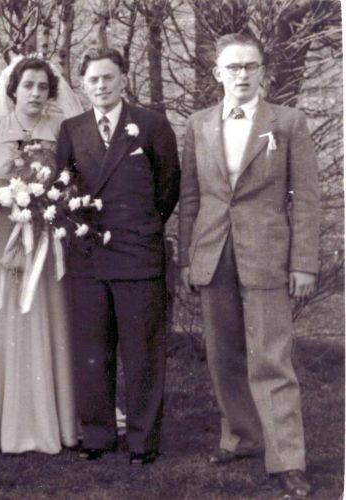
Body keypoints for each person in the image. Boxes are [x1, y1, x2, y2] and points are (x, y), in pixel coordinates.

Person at [178, 33, 320, 498]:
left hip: (266, 257)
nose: (242, 75)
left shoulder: (289, 123)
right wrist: (188, 260)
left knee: (272, 358)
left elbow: (307, 202)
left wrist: (304, 264)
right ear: (217, 73)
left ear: (263, 72)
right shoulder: (198, 124)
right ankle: (241, 438)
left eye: (250, 66)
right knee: (223, 356)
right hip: (214, 253)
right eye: (232, 67)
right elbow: (192, 199)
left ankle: (287, 460)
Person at [56, 47, 180, 465]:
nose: (101, 86)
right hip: (89, 256)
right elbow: (64, 189)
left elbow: (168, 189)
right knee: (92, 348)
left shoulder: (151, 125)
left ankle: (144, 440)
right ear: (83, 85)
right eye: (92, 79)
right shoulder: (71, 129)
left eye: (108, 77)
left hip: (138, 252)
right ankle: (97, 433)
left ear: (124, 79)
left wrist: (139, 227)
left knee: (141, 350)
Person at [0, 55, 82, 454]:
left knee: (47, 323)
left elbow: (72, 180)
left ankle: (57, 422)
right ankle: (3, 426)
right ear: (13, 89)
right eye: (28, 85)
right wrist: (3, 197)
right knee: (5, 326)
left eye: (42, 87)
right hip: (2, 240)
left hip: (46, 241)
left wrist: (48, 199)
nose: (35, 93)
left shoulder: (63, 129)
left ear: (51, 93)